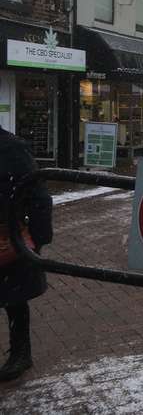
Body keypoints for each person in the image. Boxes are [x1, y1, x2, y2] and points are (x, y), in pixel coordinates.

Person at [0, 124, 53, 381]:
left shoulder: (12, 148)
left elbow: (38, 194)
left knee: (14, 298)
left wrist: (37, 239)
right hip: (10, 234)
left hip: (8, 236)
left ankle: (21, 353)